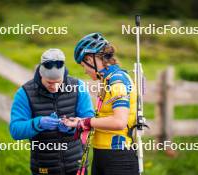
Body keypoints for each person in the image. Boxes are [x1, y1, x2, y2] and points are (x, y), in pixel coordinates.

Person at [63, 33, 139, 175]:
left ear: (89, 59)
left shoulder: (117, 80)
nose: (84, 71)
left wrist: (86, 122)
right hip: (104, 154)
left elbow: (119, 122)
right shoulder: (108, 79)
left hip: (118, 158)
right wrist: (81, 122)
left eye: (83, 65)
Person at [9, 48, 95, 175]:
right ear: (41, 74)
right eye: (49, 83)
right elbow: (15, 130)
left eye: (58, 82)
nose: (54, 87)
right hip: (44, 168)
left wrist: (73, 127)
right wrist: (38, 123)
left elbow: (90, 121)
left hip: (76, 165)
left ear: (64, 75)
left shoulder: (78, 87)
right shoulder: (24, 93)